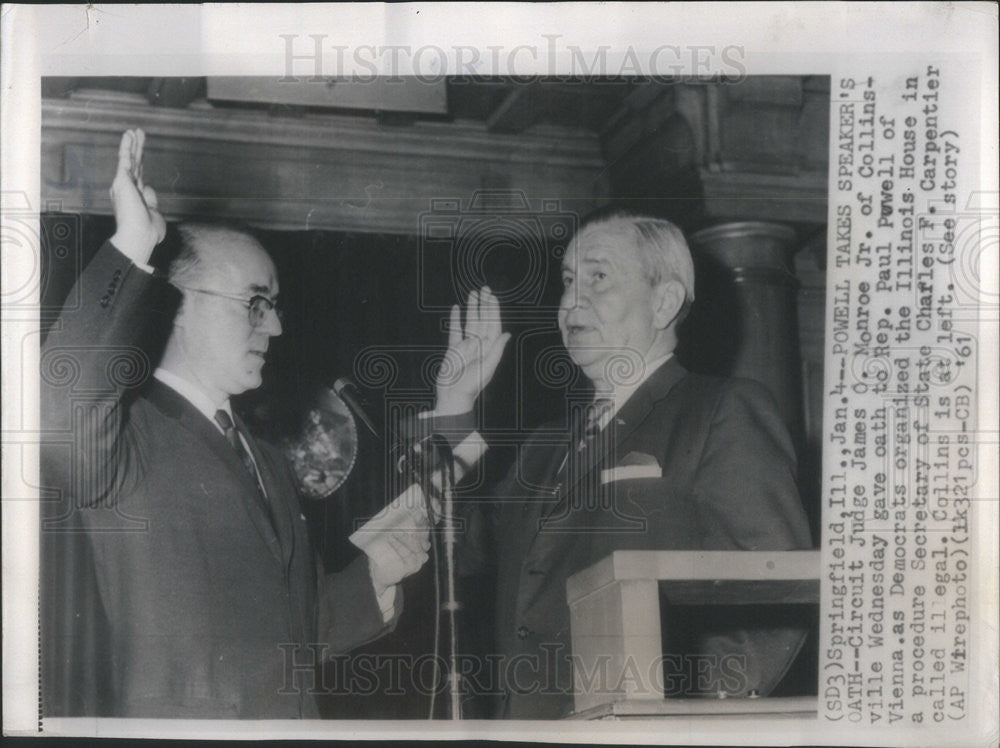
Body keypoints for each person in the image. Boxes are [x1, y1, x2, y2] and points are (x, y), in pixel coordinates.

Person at [39, 129, 504, 719]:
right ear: (179, 304)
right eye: (254, 304)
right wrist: (132, 243)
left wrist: (452, 412)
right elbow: (59, 413)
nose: (276, 328)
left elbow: (301, 628)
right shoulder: (130, 440)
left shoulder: (264, 457)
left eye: (275, 307)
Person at [430, 210, 813, 719]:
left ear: (663, 302)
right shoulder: (543, 447)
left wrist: (682, 718)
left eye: (598, 277)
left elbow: (777, 590)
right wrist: (455, 408)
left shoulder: (721, 410)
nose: (570, 301)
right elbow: (459, 555)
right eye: (567, 281)